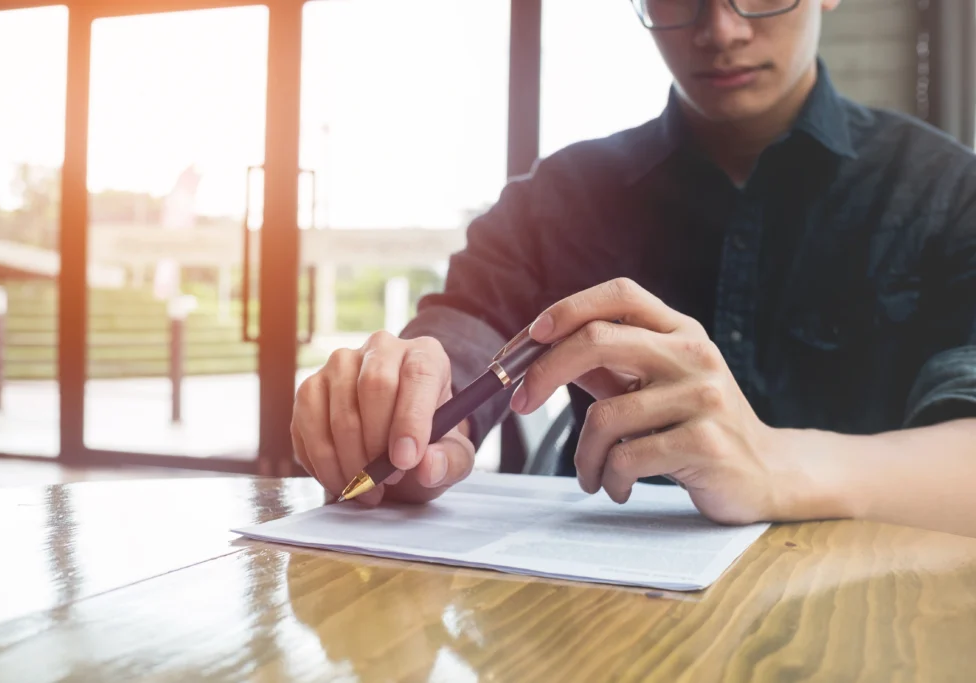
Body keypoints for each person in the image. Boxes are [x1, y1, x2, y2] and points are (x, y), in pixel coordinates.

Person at [291, 0, 976, 538]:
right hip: (588, 628)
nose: (722, 28)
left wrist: (773, 464)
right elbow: (464, 328)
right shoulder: (559, 195)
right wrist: (405, 402)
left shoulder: (948, 192)